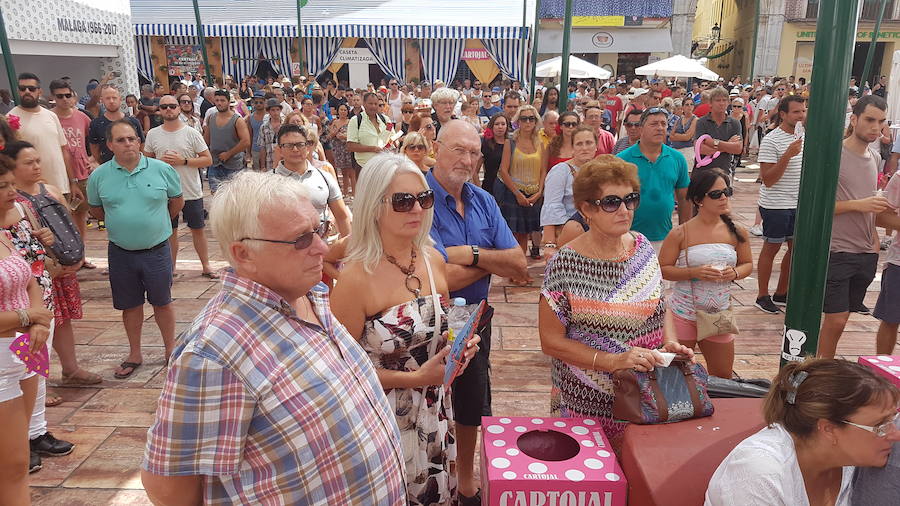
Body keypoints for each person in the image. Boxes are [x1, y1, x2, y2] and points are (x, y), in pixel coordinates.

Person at [141, 170, 407, 505]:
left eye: (319, 229)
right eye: (301, 239)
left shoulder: (307, 296)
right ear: (243, 255)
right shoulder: (215, 352)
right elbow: (168, 489)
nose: (322, 247)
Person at [332, 153, 480, 505]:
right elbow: (339, 370)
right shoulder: (355, 278)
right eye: (402, 201)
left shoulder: (432, 259)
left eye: (424, 198)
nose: (417, 209)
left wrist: (459, 346)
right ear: (374, 205)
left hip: (435, 413)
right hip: (381, 418)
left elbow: (439, 328)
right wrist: (413, 380)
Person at [539, 155, 694, 449]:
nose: (624, 210)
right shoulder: (565, 264)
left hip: (645, 397)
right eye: (611, 202)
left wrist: (669, 343)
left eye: (630, 199)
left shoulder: (644, 248)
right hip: (585, 402)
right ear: (587, 209)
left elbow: (660, 306)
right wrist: (613, 361)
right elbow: (550, 341)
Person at [427, 120, 527, 504]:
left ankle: (465, 482)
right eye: (458, 150)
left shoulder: (483, 200)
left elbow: (518, 264)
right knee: (427, 401)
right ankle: (431, 479)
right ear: (437, 147)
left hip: (475, 320)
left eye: (474, 152)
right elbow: (437, 279)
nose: (467, 160)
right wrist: (492, 260)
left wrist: (470, 254)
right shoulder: (417, 197)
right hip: (427, 319)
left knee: (471, 403)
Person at [705, 358, 900, 506]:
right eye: (880, 426)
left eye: (893, 420)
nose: (895, 434)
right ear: (829, 429)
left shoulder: (849, 461)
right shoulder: (759, 473)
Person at [87, 119, 183, 379]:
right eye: (120, 140)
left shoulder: (162, 170)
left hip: (157, 250)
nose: (127, 143)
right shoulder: (98, 176)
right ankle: (135, 353)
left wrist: (156, 224)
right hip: (120, 252)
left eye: (131, 138)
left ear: (139, 141)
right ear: (109, 145)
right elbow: (96, 209)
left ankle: (170, 349)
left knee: (163, 301)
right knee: (130, 306)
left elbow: (176, 202)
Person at [817, 95, 897, 358]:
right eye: (870, 120)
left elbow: (871, 204)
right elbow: (815, 208)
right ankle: (820, 371)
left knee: (844, 317)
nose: (876, 127)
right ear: (854, 119)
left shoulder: (874, 156)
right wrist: (858, 205)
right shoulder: (833, 154)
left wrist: (874, 236)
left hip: (866, 251)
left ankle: (823, 370)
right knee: (836, 319)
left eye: (881, 122)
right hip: (837, 249)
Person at [658, 169, 752, 378]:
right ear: (699, 200)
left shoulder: (736, 230)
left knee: (723, 378)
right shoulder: (680, 233)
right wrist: (694, 272)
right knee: (675, 377)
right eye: (716, 194)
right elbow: (663, 269)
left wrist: (734, 273)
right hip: (683, 313)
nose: (724, 198)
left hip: (718, 315)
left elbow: (747, 264)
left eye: (727, 191)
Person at [0, 153, 54, 501]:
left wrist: (38, 318)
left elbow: (30, 278)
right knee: (13, 462)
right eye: (1, 187)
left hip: (26, 348)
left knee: (20, 458)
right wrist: (29, 319)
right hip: (3, 356)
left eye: (8, 184)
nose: (10, 192)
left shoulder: (4, 233)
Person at [143, 94, 217, 279]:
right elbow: (145, 161)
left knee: (198, 229)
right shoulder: (153, 134)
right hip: (164, 192)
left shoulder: (191, 133)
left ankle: (206, 265)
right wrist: (160, 162)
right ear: (159, 111)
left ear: (179, 108)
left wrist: (183, 161)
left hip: (191, 190)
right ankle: (172, 267)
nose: (168, 109)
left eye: (172, 106)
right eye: (164, 106)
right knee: (170, 231)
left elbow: (207, 159)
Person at [754, 95, 806, 314]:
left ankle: (782, 292)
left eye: (803, 110)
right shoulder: (771, 140)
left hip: (797, 203)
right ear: (783, 114)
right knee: (772, 247)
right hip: (776, 204)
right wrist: (787, 155)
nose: (801, 115)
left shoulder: (805, 136)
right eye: (796, 112)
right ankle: (762, 295)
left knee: (796, 250)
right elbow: (768, 179)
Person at [616, 108, 690, 251]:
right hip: (628, 238)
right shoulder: (623, 160)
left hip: (665, 238)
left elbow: (684, 199)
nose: (660, 128)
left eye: (663, 124)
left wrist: (683, 232)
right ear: (641, 128)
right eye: (654, 124)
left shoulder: (677, 158)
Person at [272, 124, 351, 237]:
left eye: (300, 145)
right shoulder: (268, 182)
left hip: (321, 247)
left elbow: (342, 217)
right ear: (279, 150)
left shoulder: (325, 178)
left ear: (308, 148)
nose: (295, 149)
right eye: (289, 145)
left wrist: (348, 248)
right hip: (283, 249)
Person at [10, 74, 79, 203]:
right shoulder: (11, 118)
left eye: (31, 88)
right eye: (22, 88)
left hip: (61, 187)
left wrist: (72, 182)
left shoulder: (51, 116)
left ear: (39, 91)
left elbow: (64, 150)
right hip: (32, 192)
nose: (27, 92)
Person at [496, 106, 546, 266]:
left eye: (531, 118)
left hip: (533, 193)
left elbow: (543, 170)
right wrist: (518, 194)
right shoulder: (510, 141)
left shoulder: (541, 143)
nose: (528, 122)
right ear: (518, 121)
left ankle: (520, 267)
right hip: (513, 192)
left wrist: (539, 192)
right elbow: (503, 170)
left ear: (536, 121)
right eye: (524, 118)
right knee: (513, 233)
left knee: (525, 234)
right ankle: (514, 266)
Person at [49, 79, 94, 251]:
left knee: (81, 215)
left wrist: (93, 159)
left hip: (81, 173)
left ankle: (80, 254)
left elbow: (94, 139)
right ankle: (66, 253)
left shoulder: (82, 116)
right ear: (53, 97)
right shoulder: (50, 117)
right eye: (60, 96)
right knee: (60, 217)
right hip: (58, 175)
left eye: (68, 95)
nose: (64, 99)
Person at [540, 126, 597, 251]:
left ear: (596, 146)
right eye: (579, 144)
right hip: (568, 235)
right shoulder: (560, 171)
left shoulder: (600, 171)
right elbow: (550, 206)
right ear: (572, 148)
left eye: (589, 143)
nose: (584, 148)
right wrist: (550, 245)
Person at [204, 90, 250, 193]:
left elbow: (246, 141)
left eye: (222, 100)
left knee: (234, 195)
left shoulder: (237, 120)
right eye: (217, 100)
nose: (219, 103)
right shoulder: (211, 118)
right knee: (216, 194)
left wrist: (229, 154)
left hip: (233, 164)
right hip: (215, 163)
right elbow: (206, 140)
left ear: (228, 102)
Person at [89, 84, 145, 164]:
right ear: (101, 100)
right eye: (108, 98)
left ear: (120, 99)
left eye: (114, 98)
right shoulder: (96, 124)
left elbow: (141, 145)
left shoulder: (133, 122)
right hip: (109, 168)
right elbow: (94, 149)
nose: (111, 101)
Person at [694, 87, 744, 174]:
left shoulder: (734, 123)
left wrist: (714, 142)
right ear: (710, 103)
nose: (721, 103)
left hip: (724, 171)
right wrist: (728, 144)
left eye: (724, 100)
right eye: (718, 100)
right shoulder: (701, 122)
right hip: (702, 172)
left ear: (728, 103)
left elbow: (738, 149)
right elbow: (700, 149)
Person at [347, 92, 392, 170]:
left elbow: (392, 138)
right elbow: (351, 146)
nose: (373, 106)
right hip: (364, 166)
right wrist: (373, 149)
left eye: (375, 104)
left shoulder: (385, 120)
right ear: (364, 104)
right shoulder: (355, 120)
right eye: (370, 103)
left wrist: (393, 143)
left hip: (384, 166)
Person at [477, 113, 509, 195]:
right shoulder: (486, 144)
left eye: (503, 124)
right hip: (490, 186)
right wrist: (479, 191)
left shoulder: (511, 143)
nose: (500, 127)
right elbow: (475, 171)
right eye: (497, 124)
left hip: (509, 187)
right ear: (492, 126)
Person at [328, 103, 355, 195]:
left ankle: (354, 193)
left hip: (349, 148)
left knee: (352, 172)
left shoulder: (351, 121)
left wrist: (345, 136)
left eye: (345, 110)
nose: (343, 112)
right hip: (339, 149)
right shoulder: (334, 122)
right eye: (341, 109)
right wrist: (335, 133)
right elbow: (330, 136)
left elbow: (354, 135)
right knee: (344, 172)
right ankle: (345, 192)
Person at [256, 98, 284, 172]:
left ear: (280, 110)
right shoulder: (264, 127)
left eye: (277, 110)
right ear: (268, 111)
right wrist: (262, 166)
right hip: (269, 162)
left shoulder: (285, 125)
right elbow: (262, 148)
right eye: (273, 110)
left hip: (284, 162)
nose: (276, 112)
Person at [245, 91, 267, 171]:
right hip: (255, 149)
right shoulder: (250, 117)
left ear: (265, 102)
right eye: (256, 102)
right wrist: (248, 152)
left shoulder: (269, 116)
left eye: (261, 102)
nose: (258, 104)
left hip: (268, 149)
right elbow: (249, 135)